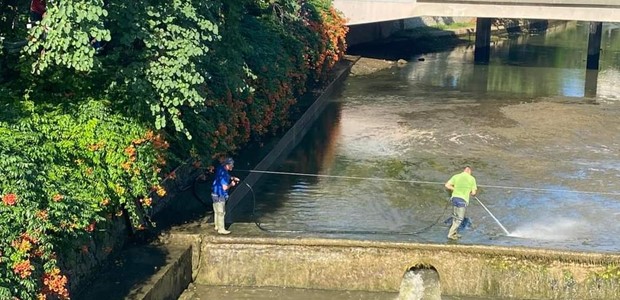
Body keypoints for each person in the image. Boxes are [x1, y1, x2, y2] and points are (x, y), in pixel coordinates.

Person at [444, 166, 477, 240]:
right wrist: (471, 192)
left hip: (454, 199)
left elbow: (447, 185)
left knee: (455, 216)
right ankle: (450, 234)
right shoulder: (472, 179)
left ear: (464, 170)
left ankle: (454, 233)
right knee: (459, 219)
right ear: (469, 171)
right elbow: (474, 193)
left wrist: (455, 189)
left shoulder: (456, 176)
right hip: (462, 200)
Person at [211, 157, 239, 235]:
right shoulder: (224, 176)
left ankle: (217, 226)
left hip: (214, 193)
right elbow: (225, 187)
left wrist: (232, 177)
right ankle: (221, 229)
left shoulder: (221, 169)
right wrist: (231, 184)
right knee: (221, 212)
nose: (232, 166)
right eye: (231, 165)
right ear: (227, 165)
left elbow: (227, 175)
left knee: (216, 211)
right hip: (220, 195)